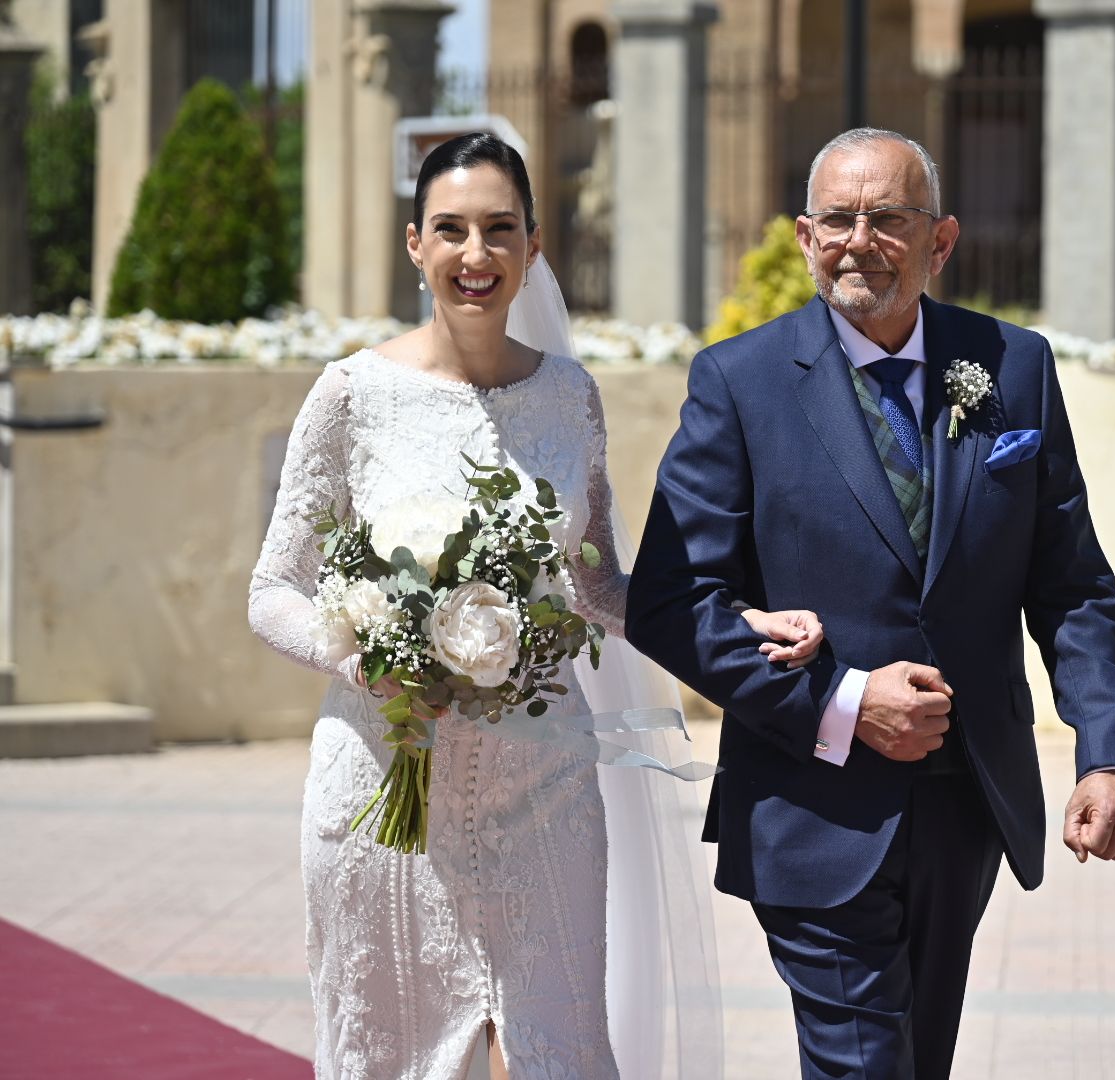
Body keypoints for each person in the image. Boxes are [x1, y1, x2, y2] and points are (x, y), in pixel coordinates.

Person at [249, 132, 821, 1080]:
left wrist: (734, 620)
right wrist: (365, 657)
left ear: (534, 246)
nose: (476, 255)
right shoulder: (351, 395)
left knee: (551, 1055)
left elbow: (595, 586)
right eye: (452, 231)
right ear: (414, 244)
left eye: (499, 230)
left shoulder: (569, 397)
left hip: (543, 788)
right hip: (384, 791)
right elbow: (272, 591)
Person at [626, 127, 1115, 1080]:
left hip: (966, 806)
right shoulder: (738, 384)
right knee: (863, 1065)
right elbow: (671, 602)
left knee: (916, 1063)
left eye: (887, 218)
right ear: (803, 236)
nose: (858, 240)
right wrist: (841, 701)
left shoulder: (1014, 366)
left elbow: (1070, 584)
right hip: (808, 809)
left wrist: (1111, 753)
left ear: (941, 241)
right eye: (836, 218)